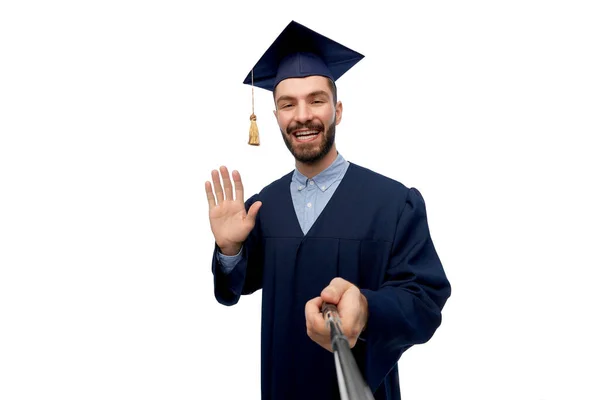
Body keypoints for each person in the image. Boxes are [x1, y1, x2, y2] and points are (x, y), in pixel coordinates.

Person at [205, 20, 451, 400]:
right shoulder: (261, 208)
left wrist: (367, 309)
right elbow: (231, 291)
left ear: (337, 109)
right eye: (288, 104)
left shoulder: (393, 202)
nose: (302, 115)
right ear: (276, 118)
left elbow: (425, 301)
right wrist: (230, 251)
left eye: (316, 100)